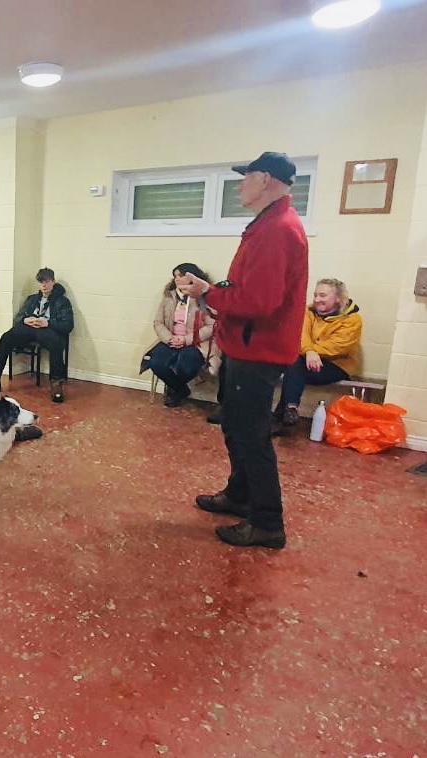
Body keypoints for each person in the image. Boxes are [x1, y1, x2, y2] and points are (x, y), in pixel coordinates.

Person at [178, 151, 309, 550]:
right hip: (245, 346)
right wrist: (216, 292)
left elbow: (261, 302)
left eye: (245, 177)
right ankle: (240, 494)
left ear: (265, 179)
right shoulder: (268, 224)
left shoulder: (278, 229)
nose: (239, 185)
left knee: (252, 435)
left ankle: (268, 522)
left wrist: (208, 292)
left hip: (258, 350)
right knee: (235, 427)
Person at [275, 278, 362, 426]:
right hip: (304, 360)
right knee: (294, 367)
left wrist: (310, 351)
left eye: (322, 295)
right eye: (315, 295)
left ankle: (282, 414)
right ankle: (289, 411)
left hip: (336, 366)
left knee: (294, 368)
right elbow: (300, 335)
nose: (316, 299)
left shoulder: (352, 319)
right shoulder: (308, 312)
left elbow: (338, 346)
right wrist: (309, 351)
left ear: (337, 299)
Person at [0, 267, 74, 403]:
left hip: (48, 329)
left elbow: (68, 325)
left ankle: (56, 383)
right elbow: (18, 318)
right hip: (30, 327)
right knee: (6, 337)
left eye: (46, 282)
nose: (44, 285)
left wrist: (48, 323)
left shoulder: (62, 301)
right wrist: (24, 319)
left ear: (53, 282)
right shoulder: (32, 299)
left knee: (56, 343)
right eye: (41, 282)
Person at [144, 263, 219, 408]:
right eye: (175, 276)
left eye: (181, 275)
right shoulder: (169, 296)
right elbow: (158, 322)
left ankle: (175, 389)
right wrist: (169, 338)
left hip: (195, 341)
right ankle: (180, 389)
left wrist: (185, 340)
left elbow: (212, 326)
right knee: (156, 362)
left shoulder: (204, 297)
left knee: (186, 365)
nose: (177, 279)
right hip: (170, 340)